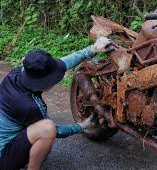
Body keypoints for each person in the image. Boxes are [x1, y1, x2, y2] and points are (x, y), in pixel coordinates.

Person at [0, 37, 112, 170]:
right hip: (3, 159)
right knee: (47, 129)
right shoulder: (30, 106)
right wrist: (82, 126)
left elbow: (63, 63)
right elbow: (55, 131)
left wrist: (92, 49)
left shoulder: (17, 73)